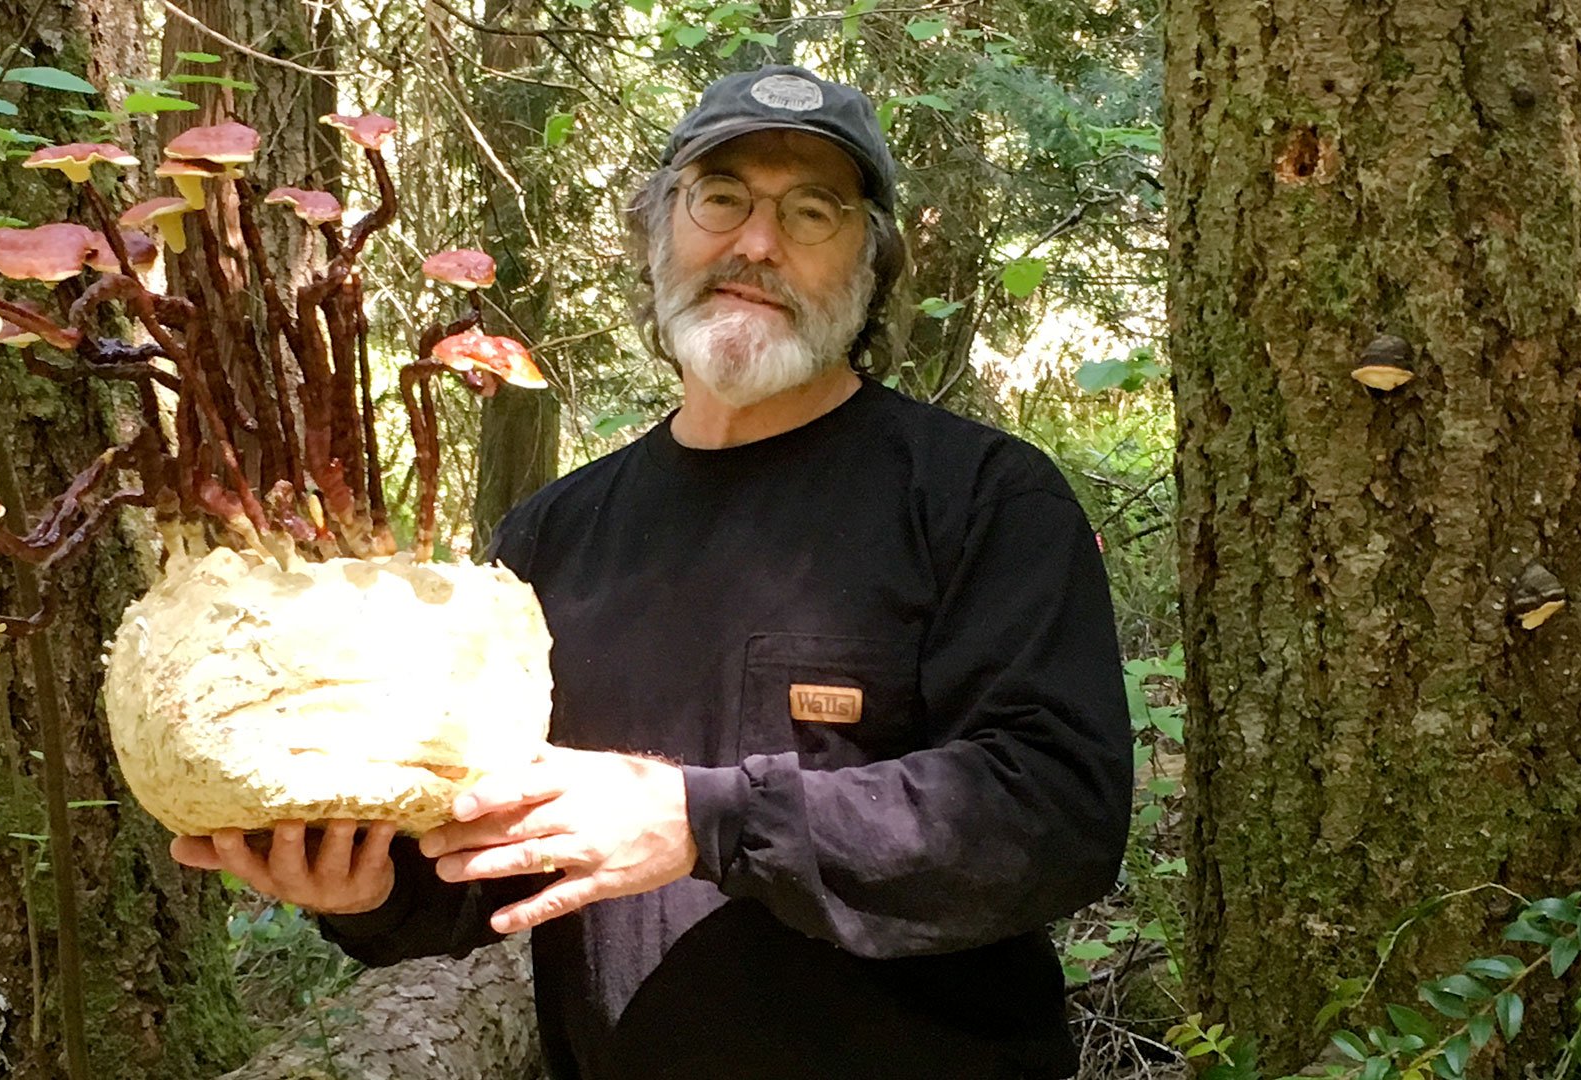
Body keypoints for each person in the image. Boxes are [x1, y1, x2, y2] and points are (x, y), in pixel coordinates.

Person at [171, 65, 1134, 1080]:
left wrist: (700, 821)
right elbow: (489, 855)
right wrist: (368, 893)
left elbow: (1056, 812)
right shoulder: (552, 539)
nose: (756, 243)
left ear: (871, 260)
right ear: (660, 226)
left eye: (812, 210)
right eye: (721, 198)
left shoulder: (979, 499)